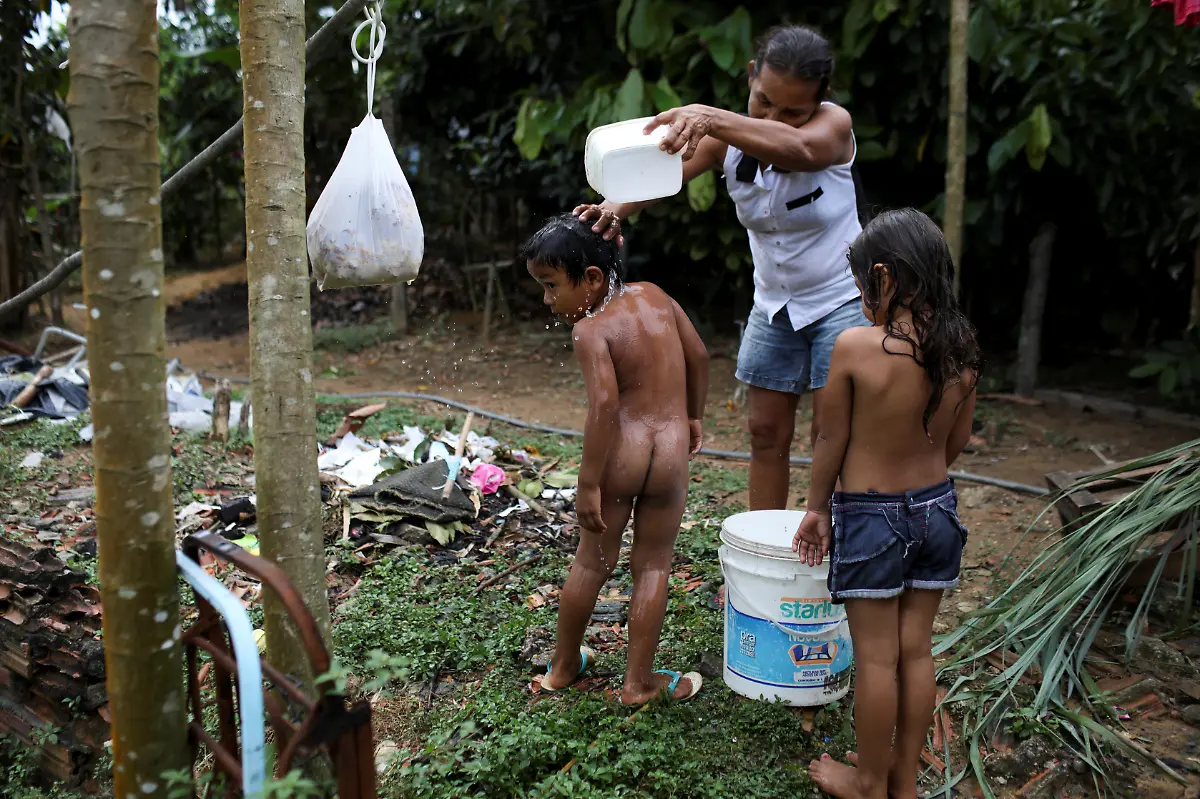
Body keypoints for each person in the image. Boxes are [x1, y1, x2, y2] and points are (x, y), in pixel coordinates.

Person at [576, 23, 870, 514]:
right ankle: (764, 544)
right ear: (752, 75)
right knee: (764, 432)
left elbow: (802, 150)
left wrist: (713, 117)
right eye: (764, 101)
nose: (776, 116)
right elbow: (657, 175)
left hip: (840, 299)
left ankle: (836, 556)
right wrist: (609, 209)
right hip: (773, 303)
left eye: (794, 111)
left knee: (831, 437)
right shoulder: (723, 141)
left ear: (821, 101)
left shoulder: (833, 127)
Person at [790, 209, 981, 799]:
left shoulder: (855, 346)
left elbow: (830, 439)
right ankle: (901, 777)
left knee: (875, 659)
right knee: (915, 651)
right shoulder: (963, 351)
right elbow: (955, 443)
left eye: (860, 288)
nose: (860, 300)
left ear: (884, 277)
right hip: (937, 510)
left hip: (873, 517)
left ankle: (868, 781)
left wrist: (817, 507)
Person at [521, 213, 709, 705]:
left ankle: (562, 668)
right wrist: (693, 417)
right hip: (669, 453)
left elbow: (605, 406)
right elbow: (701, 356)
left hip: (623, 455)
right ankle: (638, 683)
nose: (547, 300)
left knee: (591, 563)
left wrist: (587, 485)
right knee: (653, 567)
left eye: (550, 286)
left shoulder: (591, 330)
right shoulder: (656, 296)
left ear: (592, 279)